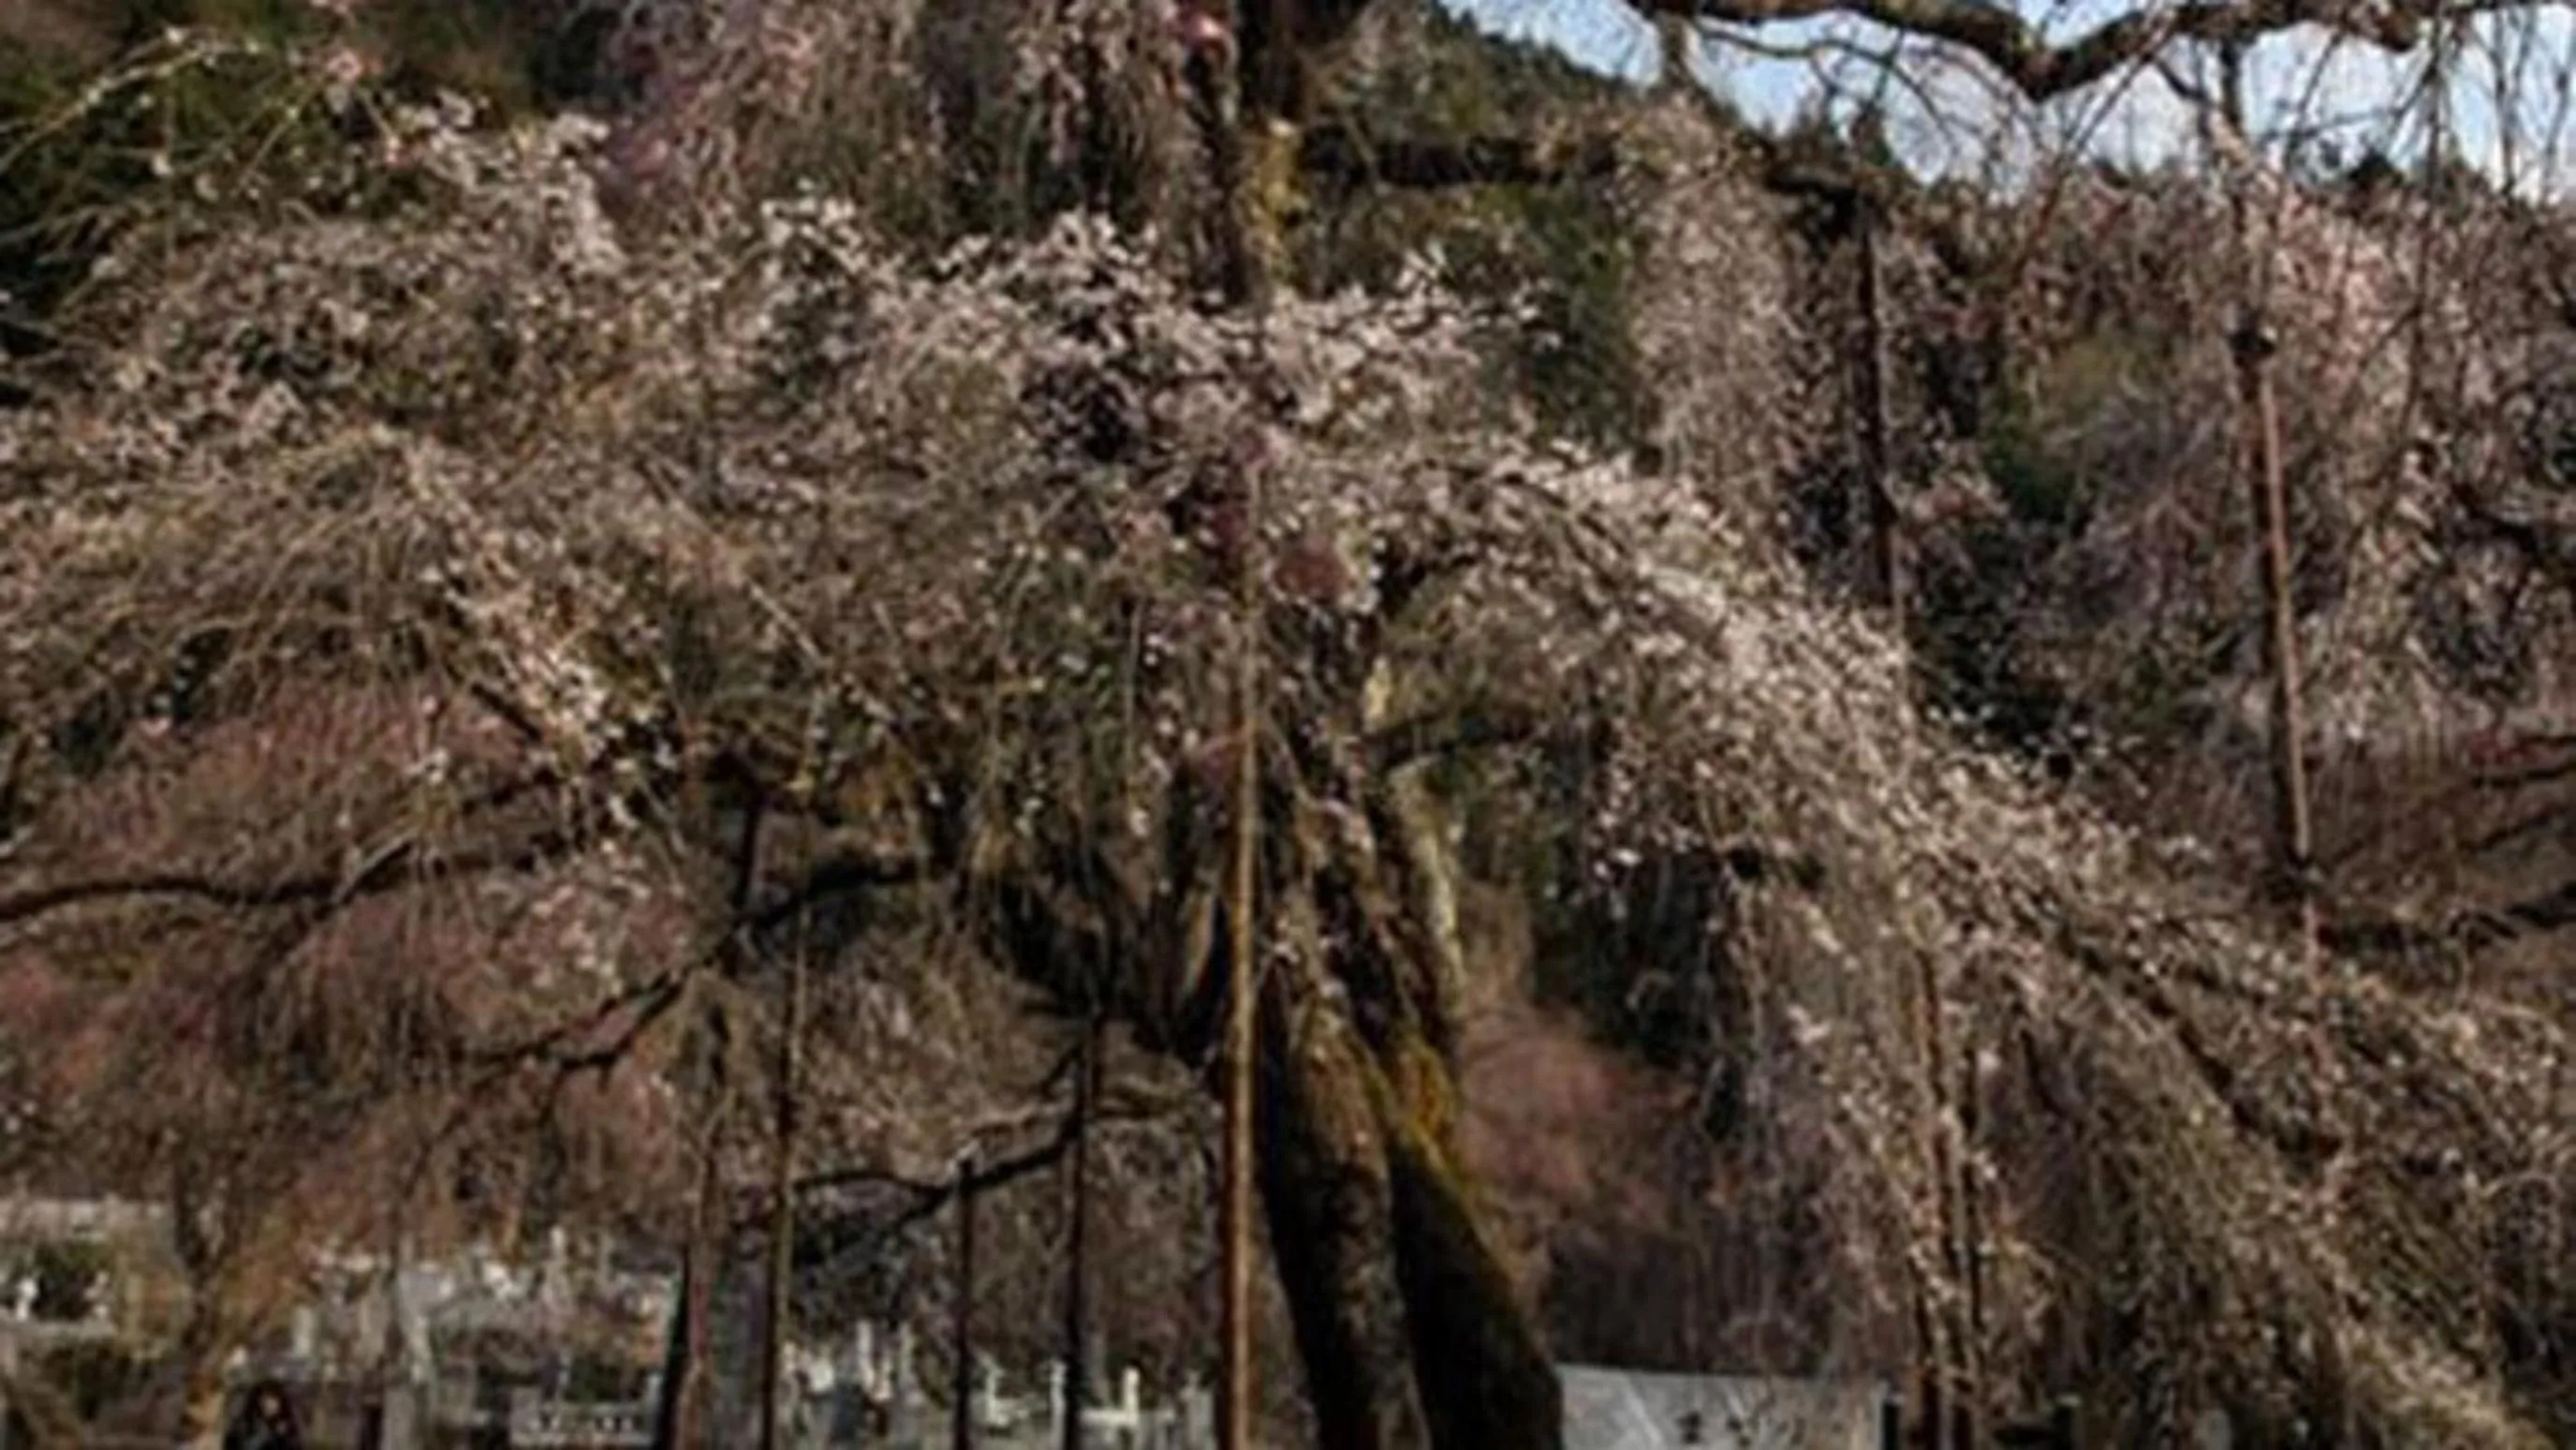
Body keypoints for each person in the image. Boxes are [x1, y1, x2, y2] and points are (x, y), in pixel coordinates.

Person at [222, 1378, 303, 1450]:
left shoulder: (287, 1426)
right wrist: (271, 1435)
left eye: (272, 1400)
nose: (268, 1404)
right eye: (264, 1399)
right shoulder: (244, 1425)